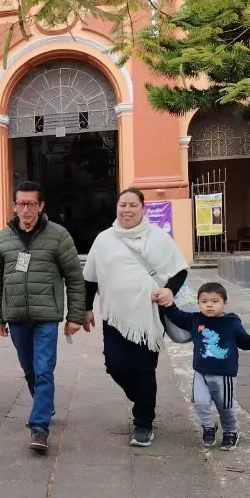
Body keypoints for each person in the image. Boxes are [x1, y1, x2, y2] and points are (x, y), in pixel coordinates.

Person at [83, 187, 188, 447]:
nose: (126, 210)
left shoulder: (158, 238)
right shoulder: (104, 239)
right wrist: (86, 309)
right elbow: (90, 278)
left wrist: (168, 290)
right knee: (114, 365)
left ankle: (143, 423)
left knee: (143, 369)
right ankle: (141, 400)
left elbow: (180, 270)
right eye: (122, 205)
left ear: (143, 208)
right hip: (114, 315)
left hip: (147, 317)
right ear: (116, 208)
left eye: (132, 205)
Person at [0, 181, 84, 454]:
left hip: (46, 316)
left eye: (32, 204)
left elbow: (74, 278)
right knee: (29, 369)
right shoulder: (4, 238)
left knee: (44, 369)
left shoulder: (58, 236)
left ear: (41, 206)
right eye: (21, 203)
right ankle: (45, 403)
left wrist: (74, 316)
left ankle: (39, 426)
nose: (26, 209)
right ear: (14, 206)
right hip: (16, 315)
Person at [162, 282, 250, 450]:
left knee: (225, 405)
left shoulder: (231, 322)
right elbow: (177, 317)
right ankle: (208, 426)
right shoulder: (195, 319)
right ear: (199, 303)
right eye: (204, 301)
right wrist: (168, 304)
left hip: (224, 374)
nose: (209, 304)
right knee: (199, 402)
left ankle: (230, 431)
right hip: (201, 372)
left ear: (224, 303)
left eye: (214, 301)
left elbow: (243, 340)